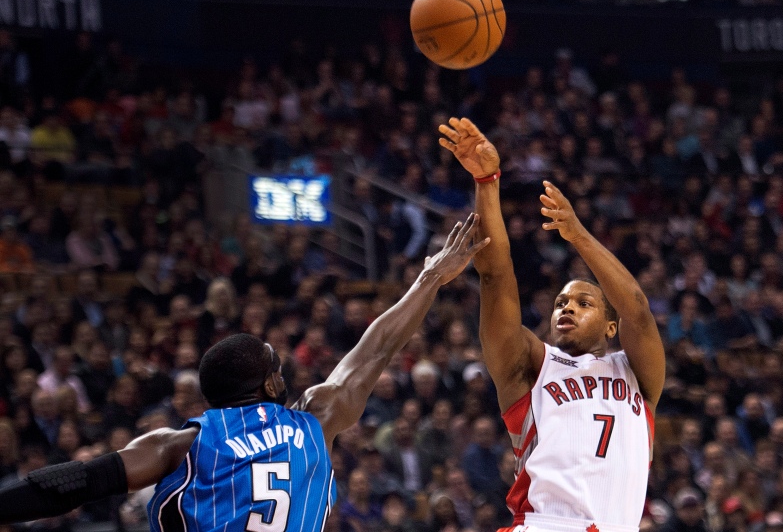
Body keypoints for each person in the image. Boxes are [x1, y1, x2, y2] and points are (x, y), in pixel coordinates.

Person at [0, 216, 490, 532]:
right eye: (276, 366)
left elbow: (74, 482)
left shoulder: (179, 444)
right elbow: (378, 345)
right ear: (270, 384)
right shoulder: (316, 420)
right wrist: (431, 278)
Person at [438, 117, 666, 532]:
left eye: (584, 302)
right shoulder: (533, 365)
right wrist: (487, 181)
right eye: (561, 302)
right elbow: (495, 276)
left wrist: (577, 234)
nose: (567, 308)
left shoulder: (639, 376)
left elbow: (636, 308)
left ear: (610, 327)